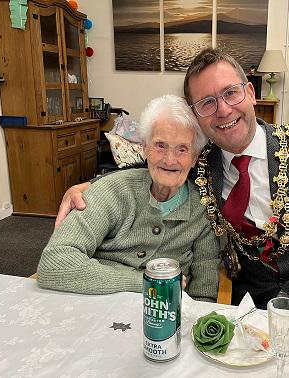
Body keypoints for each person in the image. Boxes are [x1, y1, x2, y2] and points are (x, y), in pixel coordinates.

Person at [56, 48, 289, 323]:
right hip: (249, 308)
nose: (223, 110)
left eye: (230, 93)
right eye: (207, 102)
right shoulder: (200, 160)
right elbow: (152, 165)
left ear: (250, 93)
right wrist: (91, 186)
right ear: (196, 114)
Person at [38, 95, 220, 302]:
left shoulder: (204, 210)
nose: (170, 160)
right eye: (160, 145)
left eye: (182, 149)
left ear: (195, 156)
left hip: (166, 318)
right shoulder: (112, 190)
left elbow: (204, 293)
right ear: (144, 148)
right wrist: (146, 282)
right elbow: (54, 263)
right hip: (95, 305)